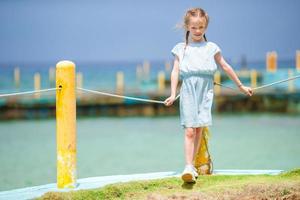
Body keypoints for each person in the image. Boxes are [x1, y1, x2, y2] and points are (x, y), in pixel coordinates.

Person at [164, 7, 253, 183]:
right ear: (187, 27)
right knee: (189, 129)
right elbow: (175, 71)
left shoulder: (211, 47)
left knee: (199, 129)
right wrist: (173, 94)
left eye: (201, 27)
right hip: (188, 89)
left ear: (206, 27)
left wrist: (241, 86)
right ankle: (188, 166)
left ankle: (194, 167)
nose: (198, 31)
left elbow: (225, 66)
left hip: (206, 91)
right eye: (194, 27)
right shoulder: (180, 49)